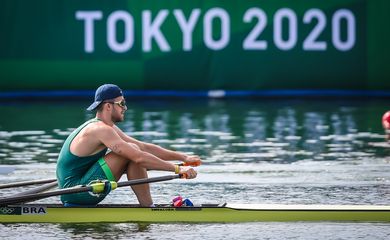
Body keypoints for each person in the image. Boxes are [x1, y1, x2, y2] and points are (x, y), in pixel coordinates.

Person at [56, 84, 201, 207]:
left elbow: (143, 147)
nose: (125, 108)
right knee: (133, 153)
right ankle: (149, 209)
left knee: (134, 148)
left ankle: (148, 207)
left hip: (80, 188)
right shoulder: (100, 129)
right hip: (76, 192)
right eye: (122, 104)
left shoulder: (106, 127)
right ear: (108, 106)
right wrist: (178, 169)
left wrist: (184, 157)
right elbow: (138, 156)